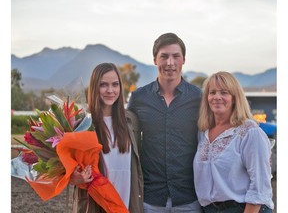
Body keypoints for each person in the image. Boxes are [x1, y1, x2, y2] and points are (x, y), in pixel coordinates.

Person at [127, 33, 203, 212]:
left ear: (183, 59)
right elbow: (124, 136)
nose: (170, 62)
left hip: (189, 198)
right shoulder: (138, 98)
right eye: (164, 56)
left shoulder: (199, 97)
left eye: (176, 56)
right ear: (155, 59)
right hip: (151, 198)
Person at [193, 71, 274, 213]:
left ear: (235, 98)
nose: (217, 97)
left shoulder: (249, 132)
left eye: (224, 92)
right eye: (212, 92)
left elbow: (260, 187)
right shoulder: (203, 133)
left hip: (242, 208)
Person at [69, 63, 143, 213]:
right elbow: (66, 170)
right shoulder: (82, 124)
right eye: (103, 85)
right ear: (95, 87)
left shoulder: (131, 121)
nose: (110, 90)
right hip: (95, 204)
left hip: (127, 203)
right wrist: (74, 178)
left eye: (115, 84)